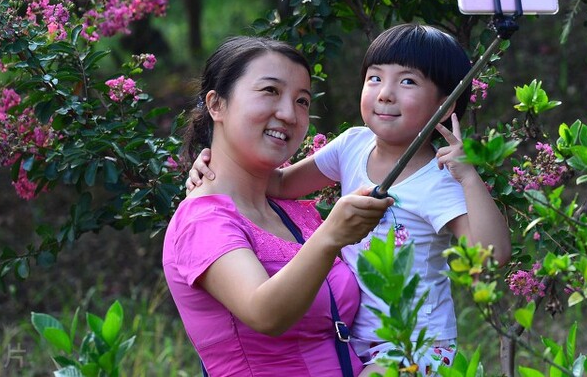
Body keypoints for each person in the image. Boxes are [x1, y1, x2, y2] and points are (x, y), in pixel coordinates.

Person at [188, 23, 512, 375]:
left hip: (416, 345)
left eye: (407, 82)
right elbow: (279, 184)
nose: (385, 94)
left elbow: (491, 256)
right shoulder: (353, 145)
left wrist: (469, 177)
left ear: (445, 106)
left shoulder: (437, 179)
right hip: (355, 342)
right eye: (375, 78)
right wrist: (213, 165)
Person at [163, 36, 394, 377]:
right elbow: (266, 313)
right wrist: (331, 236)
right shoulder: (202, 221)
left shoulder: (291, 210)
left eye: (302, 101)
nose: (289, 114)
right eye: (270, 91)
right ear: (216, 105)